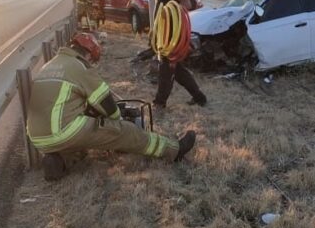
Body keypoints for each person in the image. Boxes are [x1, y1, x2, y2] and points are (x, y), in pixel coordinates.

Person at [27, 31, 196, 181]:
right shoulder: (79, 66)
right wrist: (118, 119)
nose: (91, 63)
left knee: (79, 147)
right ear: (88, 54)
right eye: (92, 60)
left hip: (38, 138)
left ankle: (58, 161)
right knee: (125, 132)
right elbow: (106, 103)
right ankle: (174, 150)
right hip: (65, 130)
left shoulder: (48, 66)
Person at [149, 0, 207, 110]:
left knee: (165, 69)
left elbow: (186, 4)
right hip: (162, 35)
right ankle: (199, 97)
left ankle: (159, 103)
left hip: (171, 38)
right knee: (178, 71)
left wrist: (168, 16)